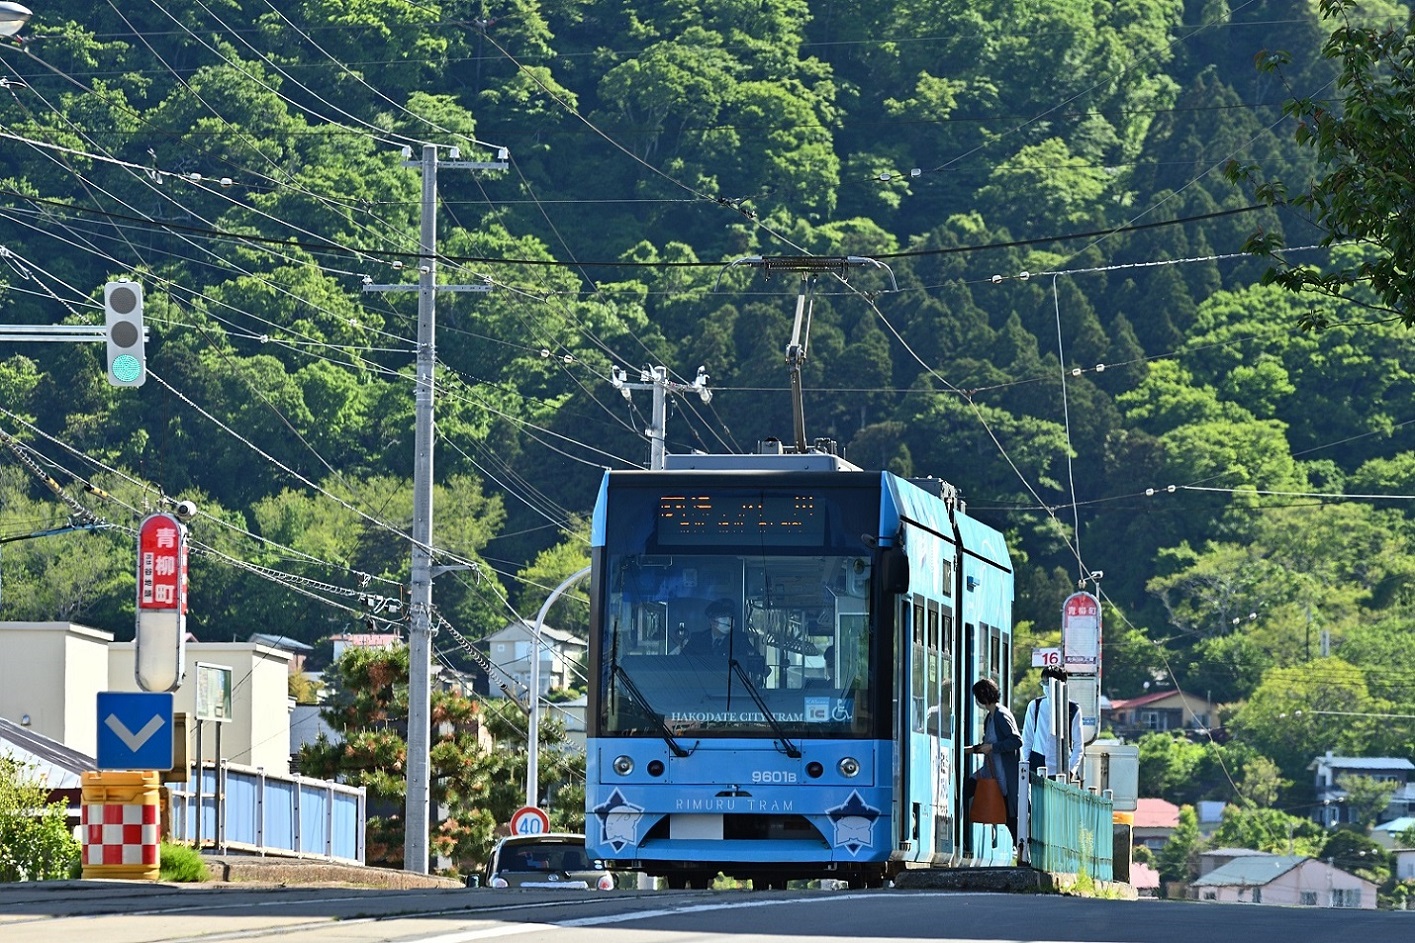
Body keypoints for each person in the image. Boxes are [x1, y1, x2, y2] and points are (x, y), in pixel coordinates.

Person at [963, 677, 1022, 851]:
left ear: (982, 696)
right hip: (990, 772)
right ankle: (963, 837)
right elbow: (986, 746)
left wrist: (994, 747)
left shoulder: (1001, 716)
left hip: (1002, 776)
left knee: (1010, 817)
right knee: (967, 791)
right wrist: (969, 750)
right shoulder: (991, 717)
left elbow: (1016, 741)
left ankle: (1023, 850)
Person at [1021, 665, 1082, 779]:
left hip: (1061, 768)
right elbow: (1027, 739)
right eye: (1044, 683)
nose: (1046, 687)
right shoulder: (1035, 706)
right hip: (1036, 765)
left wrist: (1071, 770)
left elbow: (1078, 745)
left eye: (1049, 683)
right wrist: (1027, 762)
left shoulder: (1073, 709)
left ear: (1062, 683)